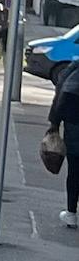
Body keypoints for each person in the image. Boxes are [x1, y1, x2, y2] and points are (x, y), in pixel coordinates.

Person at [52, 51, 79, 229]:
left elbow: (62, 95)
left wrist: (54, 124)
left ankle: (71, 213)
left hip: (75, 124)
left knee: (75, 170)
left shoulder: (74, 70)